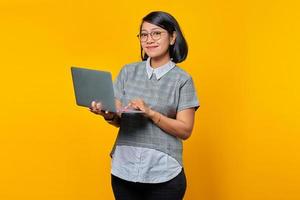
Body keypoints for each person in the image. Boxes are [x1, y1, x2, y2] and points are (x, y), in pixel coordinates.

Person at [89, 11, 199, 200]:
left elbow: (185, 130)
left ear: (172, 37)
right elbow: (118, 119)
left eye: (157, 33)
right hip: (124, 169)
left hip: (164, 173)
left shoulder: (183, 80)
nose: (149, 40)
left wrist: (151, 113)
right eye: (144, 34)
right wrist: (107, 113)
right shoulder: (127, 71)